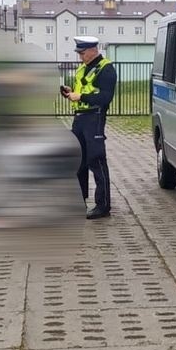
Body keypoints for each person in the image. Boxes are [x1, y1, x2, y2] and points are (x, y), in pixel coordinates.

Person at [61, 36, 117, 219]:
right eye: (79, 53)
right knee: (78, 161)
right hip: (79, 119)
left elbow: (105, 98)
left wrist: (81, 98)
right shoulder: (83, 68)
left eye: (83, 53)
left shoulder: (106, 69)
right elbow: (83, 91)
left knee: (96, 160)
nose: (80, 57)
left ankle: (103, 206)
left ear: (94, 50)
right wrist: (70, 93)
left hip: (95, 118)